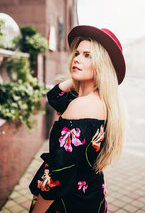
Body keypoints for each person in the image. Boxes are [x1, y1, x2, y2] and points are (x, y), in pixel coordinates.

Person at [29, 25, 126, 213]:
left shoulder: (82, 106)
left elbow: (58, 178)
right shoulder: (97, 101)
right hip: (90, 198)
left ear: (102, 65)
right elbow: (54, 97)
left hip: (69, 204)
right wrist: (76, 80)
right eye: (77, 53)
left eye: (87, 55)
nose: (77, 59)